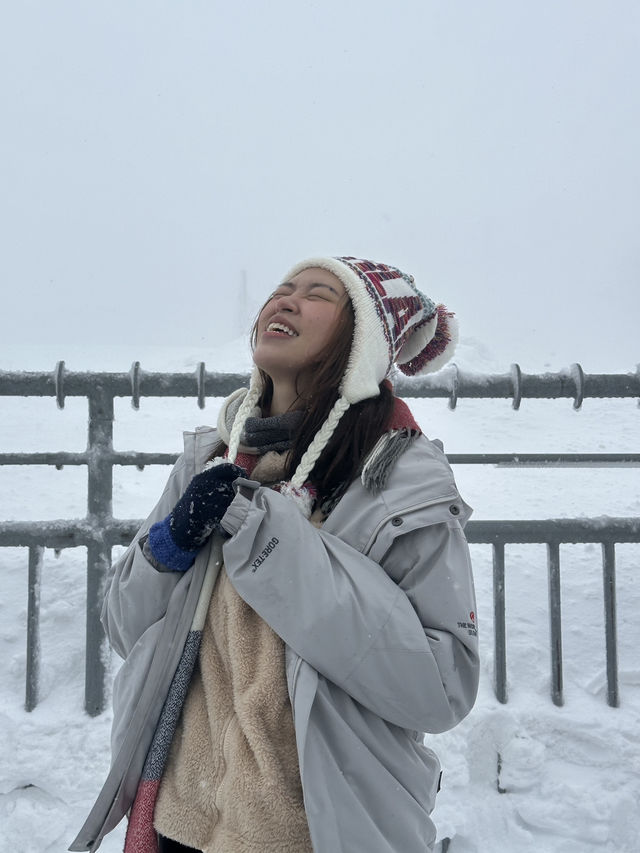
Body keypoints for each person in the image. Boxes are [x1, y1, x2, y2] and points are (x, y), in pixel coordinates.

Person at [71, 256, 479, 853]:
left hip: (319, 831)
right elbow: (123, 627)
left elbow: (440, 687)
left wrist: (271, 541)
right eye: (280, 290)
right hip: (179, 822)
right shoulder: (209, 462)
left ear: (361, 340)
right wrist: (170, 546)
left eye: (317, 295)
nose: (282, 302)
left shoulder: (401, 480)